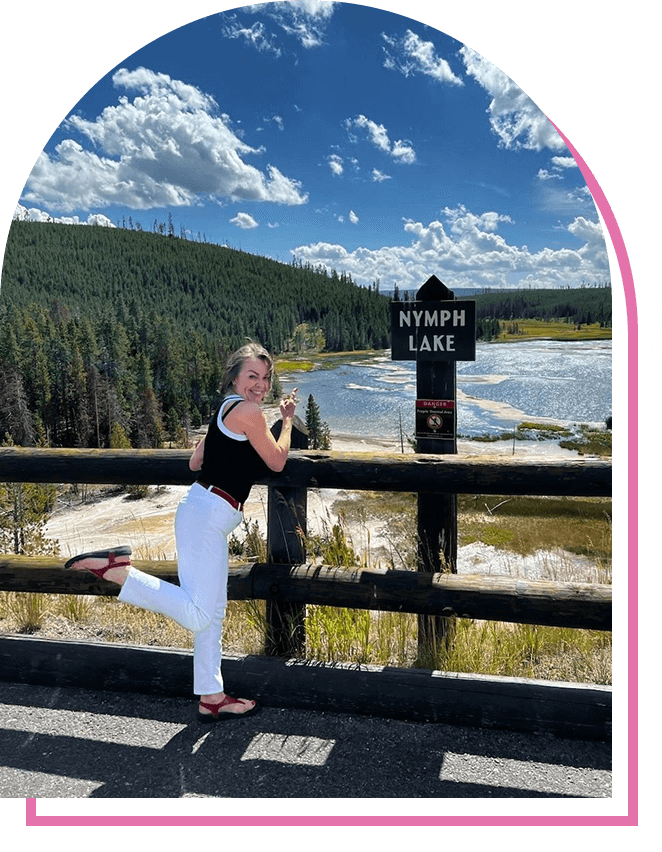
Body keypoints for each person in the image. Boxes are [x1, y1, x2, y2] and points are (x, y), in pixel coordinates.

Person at [63, 342, 298, 722]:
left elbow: (194, 461)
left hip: (200, 511)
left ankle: (212, 697)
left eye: (266, 378)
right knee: (201, 614)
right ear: (235, 377)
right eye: (252, 376)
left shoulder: (222, 409)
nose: (261, 385)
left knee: (211, 612)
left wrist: (226, 450)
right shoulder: (251, 412)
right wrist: (286, 420)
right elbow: (276, 459)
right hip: (208, 517)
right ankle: (119, 572)